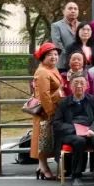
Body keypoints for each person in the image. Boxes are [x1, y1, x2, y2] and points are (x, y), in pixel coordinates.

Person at [53, 73, 94, 186]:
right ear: (70, 86)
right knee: (79, 141)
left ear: (87, 85)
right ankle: (76, 176)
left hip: (90, 131)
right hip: (72, 133)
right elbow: (57, 123)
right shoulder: (63, 103)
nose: (79, 86)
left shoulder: (93, 100)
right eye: (76, 83)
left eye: (82, 83)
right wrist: (76, 129)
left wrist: (93, 129)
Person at [31, 43, 62, 179]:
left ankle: (41, 166)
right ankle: (44, 167)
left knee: (47, 140)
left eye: (55, 54)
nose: (54, 57)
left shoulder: (52, 69)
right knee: (44, 140)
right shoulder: (43, 72)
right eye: (50, 55)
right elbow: (44, 95)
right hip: (46, 111)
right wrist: (50, 112)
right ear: (43, 57)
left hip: (53, 108)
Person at [51, 2, 81, 70]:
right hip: (63, 64)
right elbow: (57, 44)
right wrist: (71, 58)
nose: (73, 11)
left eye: (75, 9)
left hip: (80, 64)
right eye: (70, 8)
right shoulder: (56, 25)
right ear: (63, 11)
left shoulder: (82, 26)